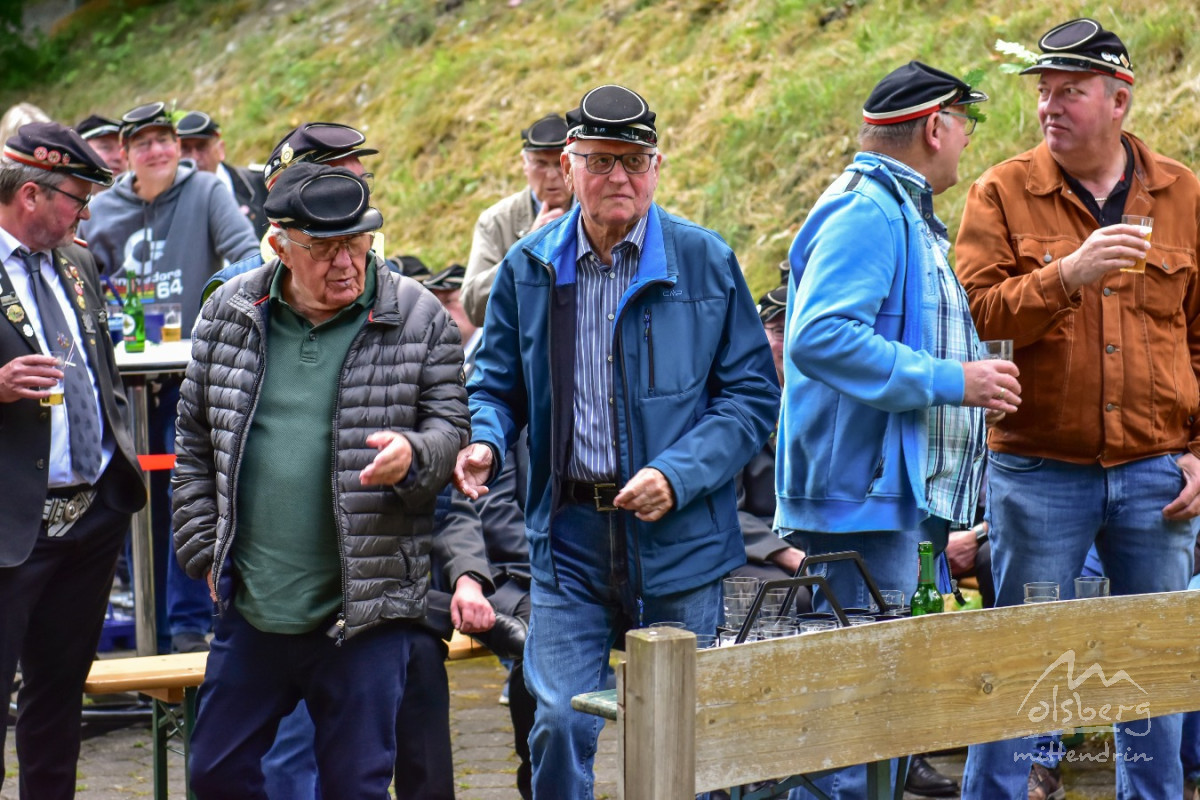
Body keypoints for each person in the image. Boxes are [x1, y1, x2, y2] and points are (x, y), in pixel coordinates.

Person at [455, 83, 780, 797]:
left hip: (681, 540)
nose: (619, 179)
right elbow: (493, 385)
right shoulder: (528, 266)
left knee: (683, 733)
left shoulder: (705, 261)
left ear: (657, 166)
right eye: (601, 161)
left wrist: (679, 474)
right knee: (562, 724)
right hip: (568, 538)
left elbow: (753, 396)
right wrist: (485, 440)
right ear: (567, 167)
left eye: (634, 161)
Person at [955, 18, 1200, 800]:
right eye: (1044, 91)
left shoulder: (1185, 193)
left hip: (1157, 472)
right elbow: (976, 314)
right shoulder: (1000, 190)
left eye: (1071, 91)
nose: (1049, 107)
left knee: (1151, 672)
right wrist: (1068, 276)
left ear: (1119, 98)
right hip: (1037, 473)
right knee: (1024, 663)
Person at [172, 162, 469, 799]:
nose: (346, 263)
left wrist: (413, 455)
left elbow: (452, 432)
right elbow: (194, 439)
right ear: (279, 242)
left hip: (364, 609)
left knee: (354, 786)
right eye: (325, 248)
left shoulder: (418, 317)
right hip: (255, 607)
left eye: (357, 243)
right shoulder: (229, 311)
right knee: (214, 773)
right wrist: (201, 544)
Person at [774, 62, 1020, 800]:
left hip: (881, 496)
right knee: (853, 715)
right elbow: (819, 337)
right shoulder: (869, 213)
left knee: (872, 714)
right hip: (859, 497)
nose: (968, 138)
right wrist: (956, 381)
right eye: (964, 123)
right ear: (935, 126)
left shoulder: (897, 210)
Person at [80, 101, 260, 654]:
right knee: (131, 488)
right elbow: (79, 271)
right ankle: (145, 624)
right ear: (126, 154)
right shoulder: (103, 208)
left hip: (189, 372)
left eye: (167, 140)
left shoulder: (206, 192)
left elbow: (248, 257)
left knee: (185, 478)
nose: (158, 151)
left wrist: (215, 311)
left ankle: (185, 623)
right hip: (122, 376)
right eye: (145, 143)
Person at [0, 121, 145, 799]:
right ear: (30, 194)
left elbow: (101, 364)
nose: (85, 215)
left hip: (90, 520)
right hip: (8, 530)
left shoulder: (76, 259)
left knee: (58, 706)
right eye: (75, 200)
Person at [460, 112, 572, 326]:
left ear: (574, 164)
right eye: (540, 163)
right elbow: (473, 307)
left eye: (560, 163)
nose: (551, 176)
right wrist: (527, 250)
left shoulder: (597, 213)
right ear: (524, 163)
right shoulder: (496, 221)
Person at [176, 110, 270, 239]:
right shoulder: (167, 200)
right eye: (185, 149)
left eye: (201, 147)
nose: (194, 158)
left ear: (220, 150)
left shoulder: (260, 185)